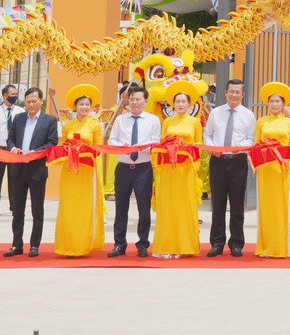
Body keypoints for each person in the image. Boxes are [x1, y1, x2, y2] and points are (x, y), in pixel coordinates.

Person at [108, 83, 161, 258]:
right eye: (131, 99)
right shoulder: (120, 120)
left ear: (145, 101)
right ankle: (119, 244)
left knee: (143, 208)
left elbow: (155, 142)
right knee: (120, 208)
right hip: (123, 168)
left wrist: (142, 147)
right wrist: (121, 146)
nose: (135, 102)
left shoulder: (153, 120)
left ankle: (143, 244)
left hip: (143, 169)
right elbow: (111, 141)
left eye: (138, 99)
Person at [204, 78, 254, 258]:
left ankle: (236, 243)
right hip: (218, 161)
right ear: (225, 93)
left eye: (237, 92)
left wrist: (240, 147)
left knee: (237, 204)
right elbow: (207, 135)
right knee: (217, 204)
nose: (234, 95)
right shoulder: (215, 113)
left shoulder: (248, 115)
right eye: (231, 91)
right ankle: (217, 243)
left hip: (238, 162)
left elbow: (251, 139)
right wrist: (213, 149)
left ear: (243, 94)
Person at [4, 87, 58, 257]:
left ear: (41, 101)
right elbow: (10, 138)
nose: (31, 104)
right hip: (18, 170)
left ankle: (35, 245)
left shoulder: (49, 120)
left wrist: (35, 152)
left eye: (34, 101)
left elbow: (52, 143)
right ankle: (16, 244)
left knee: (37, 210)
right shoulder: (18, 118)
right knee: (17, 210)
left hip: (37, 170)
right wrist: (12, 148)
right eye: (28, 102)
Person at [53, 84, 105, 258]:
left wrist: (81, 149)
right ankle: (67, 244)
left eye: (87, 104)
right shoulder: (68, 126)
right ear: (74, 107)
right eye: (81, 104)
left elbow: (98, 149)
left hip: (87, 170)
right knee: (69, 206)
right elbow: (61, 146)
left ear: (91, 107)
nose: (84, 107)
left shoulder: (95, 126)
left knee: (84, 206)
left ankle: (83, 244)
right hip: (69, 172)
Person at [152, 83, 203, 259]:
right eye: (178, 101)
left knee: (185, 205)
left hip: (186, 169)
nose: (180, 104)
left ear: (190, 104)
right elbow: (161, 142)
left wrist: (185, 149)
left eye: (184, 101)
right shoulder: (167, 121)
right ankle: (167, 244)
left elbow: (199, 146)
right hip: (168, 169)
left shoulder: (195, 122)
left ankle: (185, 245)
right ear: (173, 104)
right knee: (169, 205)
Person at [252, 83, 290, 259]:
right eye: (271, 101)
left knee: (282, 206)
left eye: (278, 101)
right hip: (265, 170)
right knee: (266, 207)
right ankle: (265, 246)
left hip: (282, 169)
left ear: (284, 103)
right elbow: (255, 146)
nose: (274, 104)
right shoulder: (261, 122)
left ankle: (283, 246)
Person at [0, 84, 21, 213]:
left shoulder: (20, 111)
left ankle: (14, 206)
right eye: (12, 94)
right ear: (5, 95)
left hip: (14, 149)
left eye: (16, 94)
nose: (15, 96)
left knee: (14, 178)